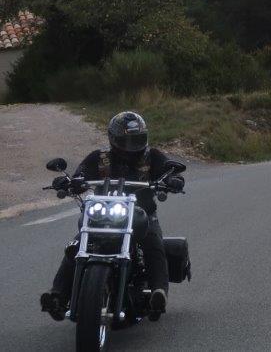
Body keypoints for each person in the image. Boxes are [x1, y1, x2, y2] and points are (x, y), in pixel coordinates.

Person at [40, 112, 184, 321]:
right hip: (103, 214)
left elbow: (168, 170)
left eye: (136, 139)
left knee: (154, 243)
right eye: (127, 140)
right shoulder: (99, 158)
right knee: (77, 245)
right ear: (114, 139)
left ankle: (158, 292)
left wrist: (173, 180)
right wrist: (69, 182)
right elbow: (80, 174)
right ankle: (57, 296)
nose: (132, 145)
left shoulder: (152, 156)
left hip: (141, 213)